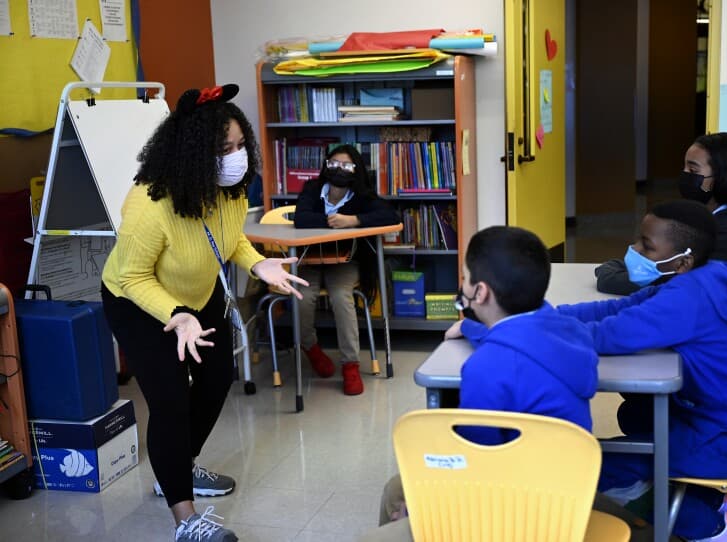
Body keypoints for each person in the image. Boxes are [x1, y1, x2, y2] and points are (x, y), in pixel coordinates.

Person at [101, 84, 308, 542]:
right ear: (193, 153)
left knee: (217, 380)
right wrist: (175, 314)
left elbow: (229, 239)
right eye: (223, 149)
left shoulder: (229, 189)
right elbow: (133, 278)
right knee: (171, 400)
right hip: (139, 303)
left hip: (198, 296)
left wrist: (259, 261)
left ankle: (176, 468)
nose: (235, 158)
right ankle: (185, 519)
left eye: (239, 146)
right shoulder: (149, 204)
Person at [559, 200, 727, 542]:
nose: (634, 251)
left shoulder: (687, 300)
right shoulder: (709, 275)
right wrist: (543, 316)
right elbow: (620, 306)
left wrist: (522, 332)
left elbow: (609, 335)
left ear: (682, 261)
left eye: (647, 247)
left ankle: (713, 529)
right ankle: (712, 497)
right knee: (636, 413)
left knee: (598, 462)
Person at [370, 225, 599, 537]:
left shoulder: (486, 367)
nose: (462, 284)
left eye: (465, 277)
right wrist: (472, 329)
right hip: (565, 502)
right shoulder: (572, 331)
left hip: (508, 512)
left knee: (395, 493)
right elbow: (519, 340)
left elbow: (475, 461)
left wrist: (427, 502)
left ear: (480, 292)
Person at [595, 133, 727, 369]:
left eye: (693, 171)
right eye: (684, 168)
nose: (685, 176)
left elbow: (669, 284)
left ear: (722, 177)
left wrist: (612, 276)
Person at [293, 144, 399, 395]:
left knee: (342, 297)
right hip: (310, 260)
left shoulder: (361, 196)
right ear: (326, 165)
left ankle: (350, 364)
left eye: (346, 166)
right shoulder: (312, 189)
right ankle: (310, 347)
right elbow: (300, 218)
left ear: (356, 170)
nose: (339, 170)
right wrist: (333, 222)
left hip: (345, 261)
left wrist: (354, 220)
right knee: (303, 297)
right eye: (334, 164)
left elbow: (391, 216)